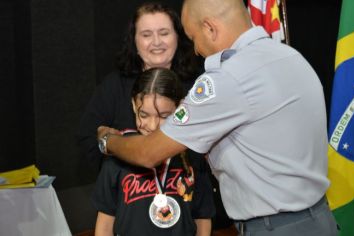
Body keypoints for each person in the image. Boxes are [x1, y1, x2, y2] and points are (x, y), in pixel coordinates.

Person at [97, 0, 339, 235]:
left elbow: (148, 153)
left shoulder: (228, 78)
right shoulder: (291, 57)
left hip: (276, 227)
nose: (196, 50)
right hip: (318, 218)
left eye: (193, 39)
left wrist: (108, 140)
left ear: (210, 28)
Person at [78, 1, 232, 233]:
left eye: (164, 33)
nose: (157, 42)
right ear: (135, 41)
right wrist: (120, 161)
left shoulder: (202, 85)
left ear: (178, 37)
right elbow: (90, 139)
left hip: (189, 206)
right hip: (132, 212)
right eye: (147, 34)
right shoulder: (113, 86)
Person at [92, 67, 215, 236]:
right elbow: (105, 223)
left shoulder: (193, 155)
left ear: (179, 107)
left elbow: (202, 218)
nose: (152, 126)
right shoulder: (117, 156)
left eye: (164, 116)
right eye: (144, 115)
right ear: (134, 105)